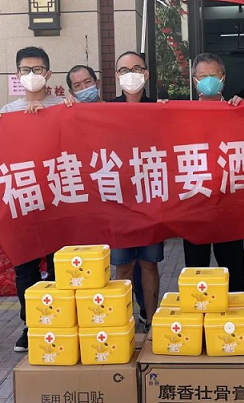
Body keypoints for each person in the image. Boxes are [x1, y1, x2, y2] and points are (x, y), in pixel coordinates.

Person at [0, 46, 63, 352]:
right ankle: (30, 324)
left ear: (48, 73)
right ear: (17, 75)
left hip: (57, 198)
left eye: (37, 69)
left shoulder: (63, 106)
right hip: (22, 199)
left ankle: (57, 321)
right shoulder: (6, 112)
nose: (32, 75)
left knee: (58, 267)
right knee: (25, 267)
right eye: (25, 70)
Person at [182, 53, 244, 292]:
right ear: (194, 81)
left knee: (234, 273)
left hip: (229, 205)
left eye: (214, 75)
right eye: (203, 76)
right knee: (197, 273)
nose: (209, 80)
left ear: (223, 77)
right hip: (194, 205)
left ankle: (238, 313)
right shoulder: (180, 114)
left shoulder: (238, 110)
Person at [111, 51, 164, 330]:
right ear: (116, 76)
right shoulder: (104, 111)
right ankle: (122, 322)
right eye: (124, 70)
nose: (130, 74)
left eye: (136, 68)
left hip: (151, 198)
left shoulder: (159, 108)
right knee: (123, 265)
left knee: (149, 263)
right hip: (118, 202)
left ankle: (152, 320)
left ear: (146, 74)